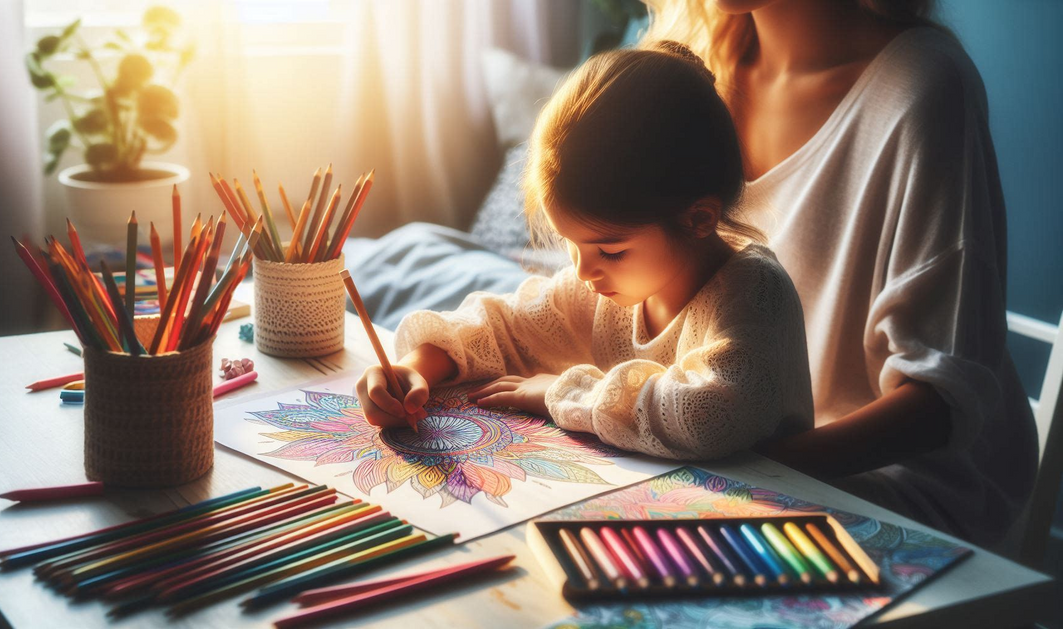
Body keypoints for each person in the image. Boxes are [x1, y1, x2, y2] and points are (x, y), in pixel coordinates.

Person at [641, 0, 1036, 546]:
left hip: (897, 491)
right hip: (742, 457)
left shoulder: (922, 88)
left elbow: (940, 402)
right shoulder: (692, 74)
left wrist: (741, 471)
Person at [354, 41, 814, 461]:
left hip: (770, 513)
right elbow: (505, 327)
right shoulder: (599, 287)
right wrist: (414, 369)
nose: (583, 270)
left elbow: (708, 414)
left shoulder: (754, 292)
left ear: (698, 219)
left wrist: (562, 392)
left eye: (610, 251)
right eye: (570, 245)